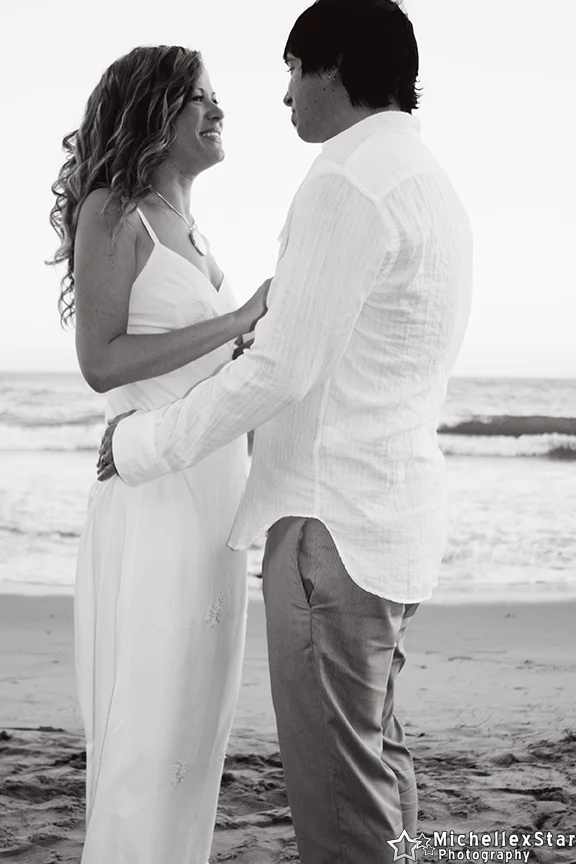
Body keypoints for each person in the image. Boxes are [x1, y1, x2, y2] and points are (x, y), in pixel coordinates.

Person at [98, 1, 473, 860]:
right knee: (378, 766)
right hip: (394, 523)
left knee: (341, 808)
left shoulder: (347, 182)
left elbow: (279, 370)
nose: (285, 94)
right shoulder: (425, 179)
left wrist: (138, 446)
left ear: (333, 69)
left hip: (327, 530)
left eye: (294, 71)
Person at [47, 45, 269, 864]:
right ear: (155, 110)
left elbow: (224, 376)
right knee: (147, 731)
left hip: (216, 504)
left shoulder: (197, 231)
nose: (217, 111)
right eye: (199, 98)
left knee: (196, 733)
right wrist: (237, 320)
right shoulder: (114, 211)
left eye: (215, 97)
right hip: (153, 503)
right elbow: (101, 360)